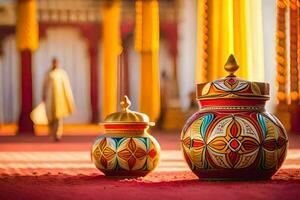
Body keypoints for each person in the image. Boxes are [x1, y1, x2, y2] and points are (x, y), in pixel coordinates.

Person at [42, 58, 75, 141]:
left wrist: (68, 98)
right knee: (50, 116)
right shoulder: (48, 73)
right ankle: (51, 132)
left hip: (59, 98)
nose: (55, 64)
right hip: (50, 98)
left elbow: (66, 86)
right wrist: (43, 95)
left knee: (59, 116)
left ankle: (57, 134)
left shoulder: (62, 74)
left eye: (56, 63)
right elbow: (44, 85)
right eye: (54, 63)